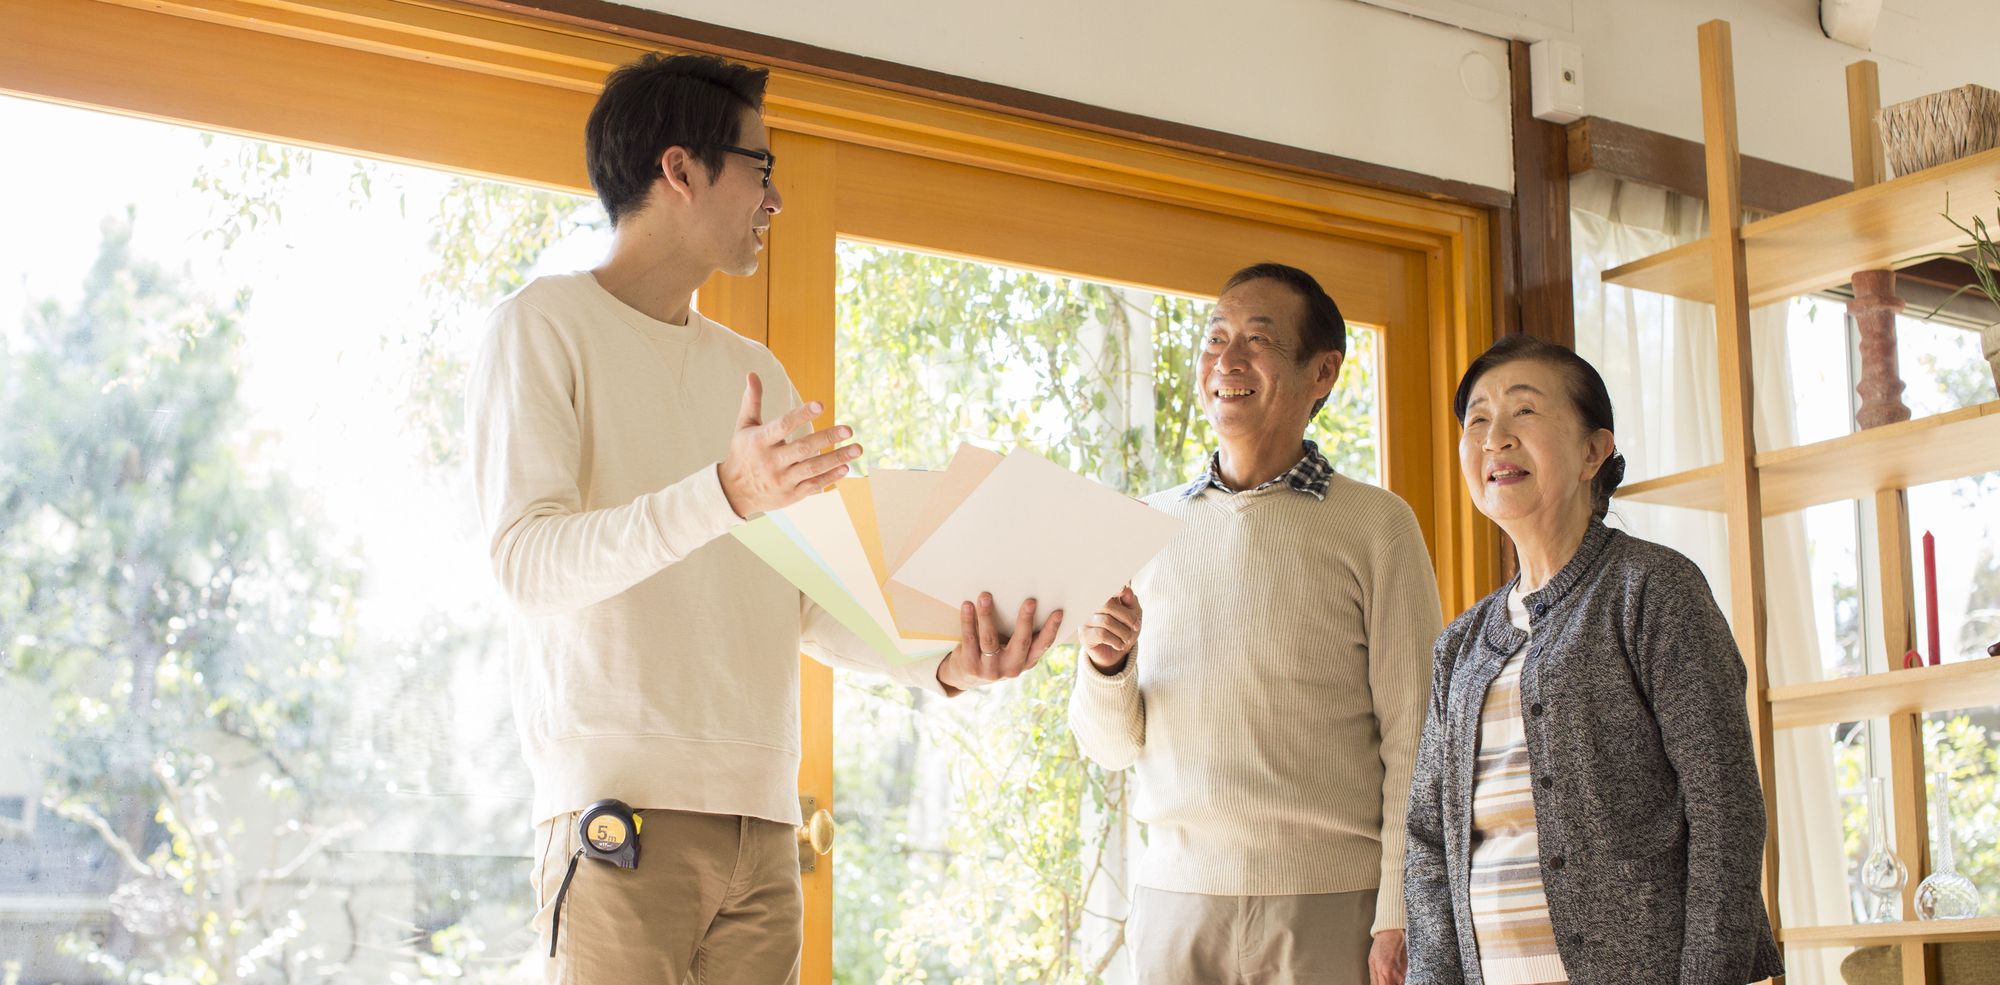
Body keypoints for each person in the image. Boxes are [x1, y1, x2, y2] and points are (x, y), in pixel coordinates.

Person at [465, 52, 1063, 984]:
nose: (773, 197)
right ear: (680, 170)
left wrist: (942, 664)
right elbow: (527, 563)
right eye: (762, 167)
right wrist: (725, 492)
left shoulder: (755, 371)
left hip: (764, 830)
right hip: (620, 820)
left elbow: (807, 600)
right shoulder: (540, 327)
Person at [1070, 263, 1442, 985]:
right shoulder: (1142, 525)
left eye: (1257, 339)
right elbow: (1110, 747)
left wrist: (1398, 910)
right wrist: (1106, 666)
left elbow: (1416, 737)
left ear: (1322, 371)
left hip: (1334, 903)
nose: (1226, 360)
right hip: (1175, 902)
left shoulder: (1377, 525)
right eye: (1215, 337)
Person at [1403, 334, 1784, 985]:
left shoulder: (1652, 588)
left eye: (1524, 412)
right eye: (1479, 420)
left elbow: (1726, 806)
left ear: (1592, 450)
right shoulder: (1461, 645)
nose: (1496, 438)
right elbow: (1429, 844)